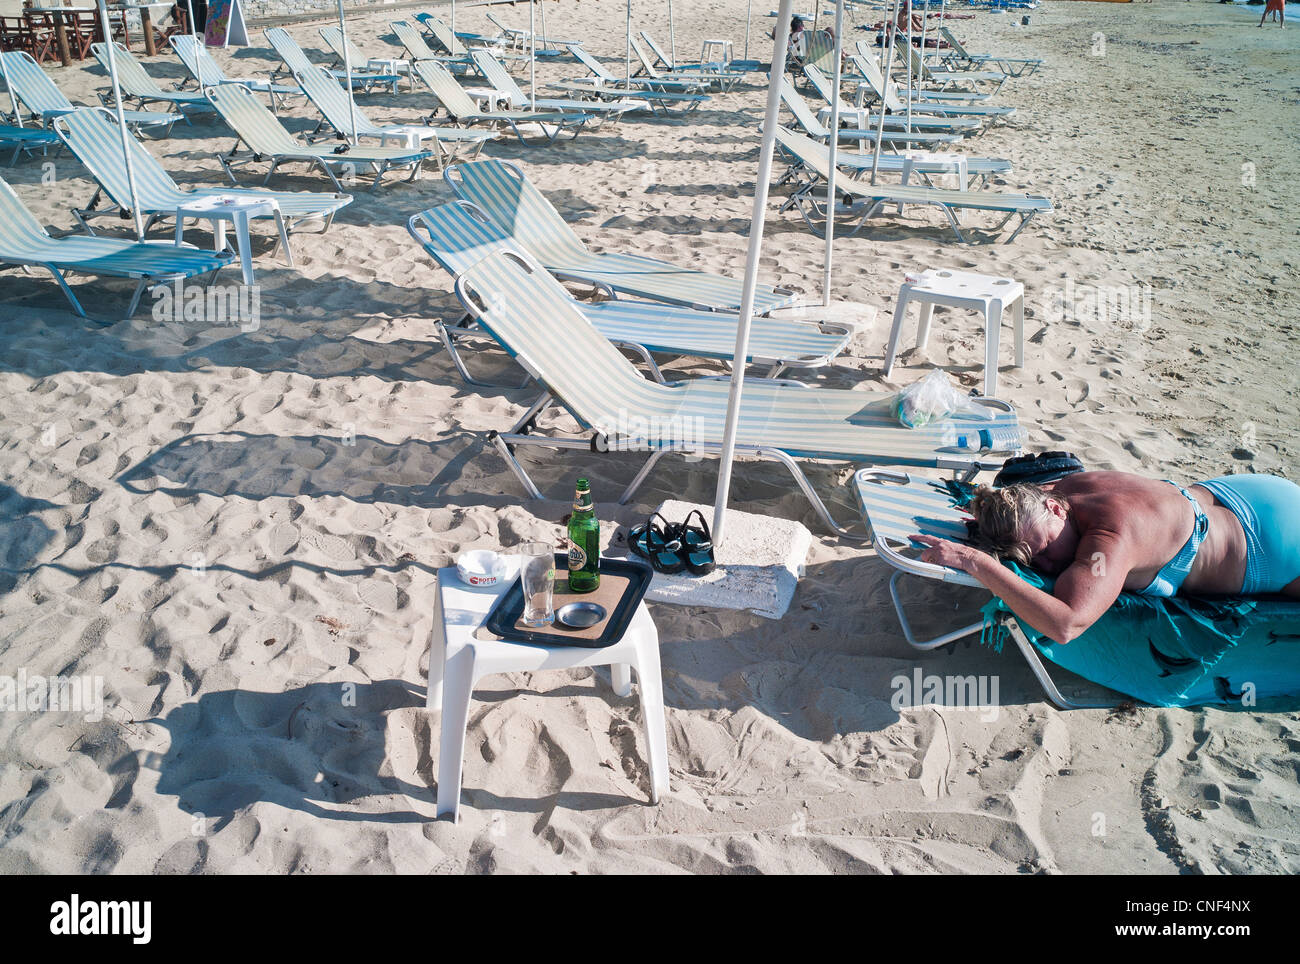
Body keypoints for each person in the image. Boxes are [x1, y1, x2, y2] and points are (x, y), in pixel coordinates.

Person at [911, 471, 1300, 644]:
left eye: (1044, 550)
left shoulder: (1110, 538)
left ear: (1056, 510)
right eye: (1033, 561)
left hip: (1274, 546)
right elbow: (1009, 504)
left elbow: (1066, 625)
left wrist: (976, 562)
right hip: (1238, 493)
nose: (1044, 567)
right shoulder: (1062, 489)